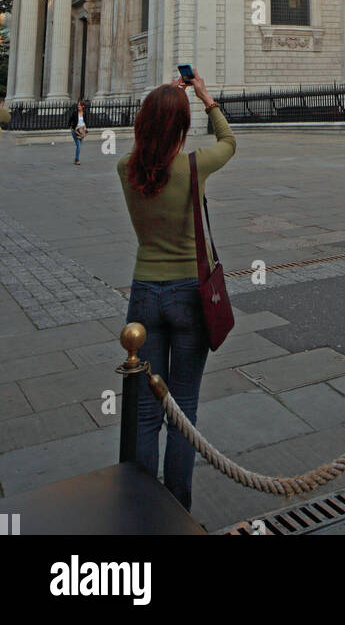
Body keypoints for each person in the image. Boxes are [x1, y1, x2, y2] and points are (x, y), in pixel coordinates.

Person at [117, 69, 235, 511]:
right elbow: (229, 142)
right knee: (182, 411)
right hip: (190, 295)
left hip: (144, 294)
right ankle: (177, 506)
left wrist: (163, 99)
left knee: (147, 411)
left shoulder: (124, 168)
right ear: (183, 129)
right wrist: (202, 95)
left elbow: (145, 153)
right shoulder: (193, 167)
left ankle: (142, 506)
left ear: (141, 124)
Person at [68, 98, 87, 164]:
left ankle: (76, 158)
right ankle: (77, 160)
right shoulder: (75, 113)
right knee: (78, 145)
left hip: (82, 132)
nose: (78, 106)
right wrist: (70, 126)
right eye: (78, 105)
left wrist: (85, 130)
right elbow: (70, 119)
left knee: (79, 146)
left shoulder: (84, 114)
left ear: (83, 106)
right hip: (75, 131)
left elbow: (85, 122)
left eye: (79, 105)